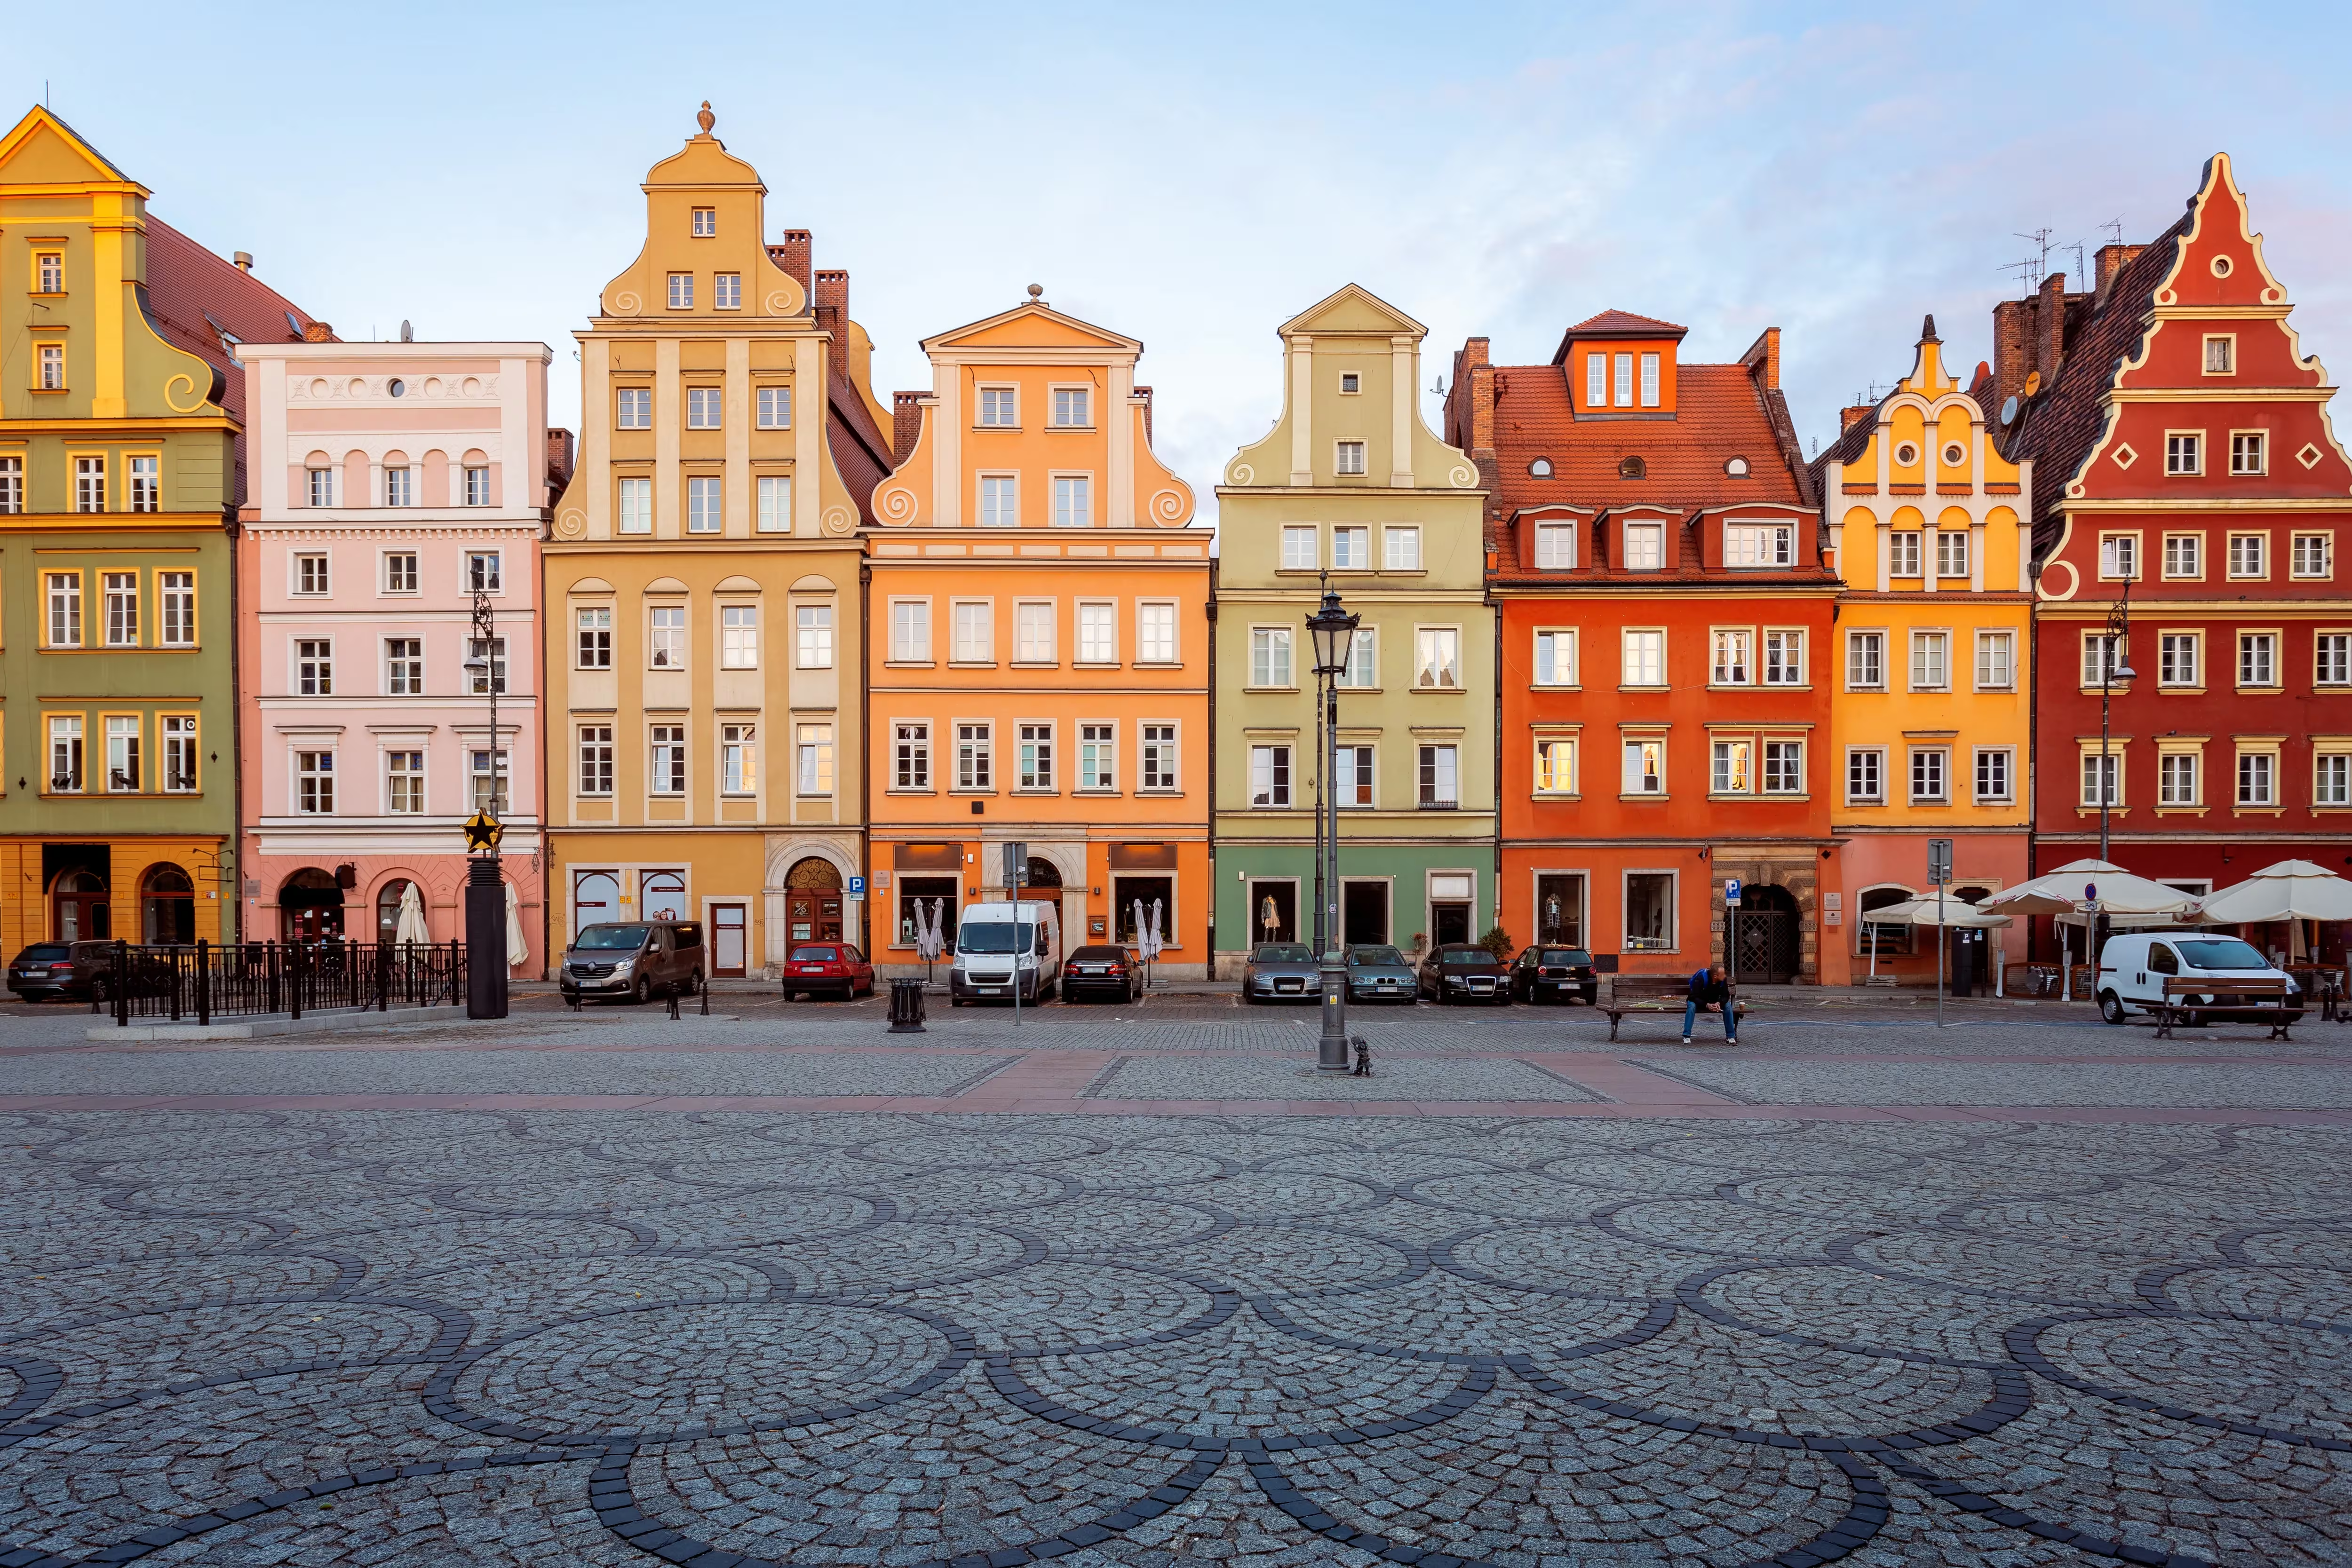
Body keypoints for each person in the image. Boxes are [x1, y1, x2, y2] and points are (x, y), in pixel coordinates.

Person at [1683, 964, 1737, 1045]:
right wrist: (1707, 1005)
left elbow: (1726, 995)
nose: (1725, 976)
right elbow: (1693, 997)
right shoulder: (1701, 978)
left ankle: (1731, 1037)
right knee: (1691, 1006)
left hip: (1714, 1002)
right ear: (1715, 976)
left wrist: (1719, 1003)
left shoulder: (1723, 979)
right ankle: (1686, 1036)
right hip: (1698, 1001)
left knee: (1728, 1006)